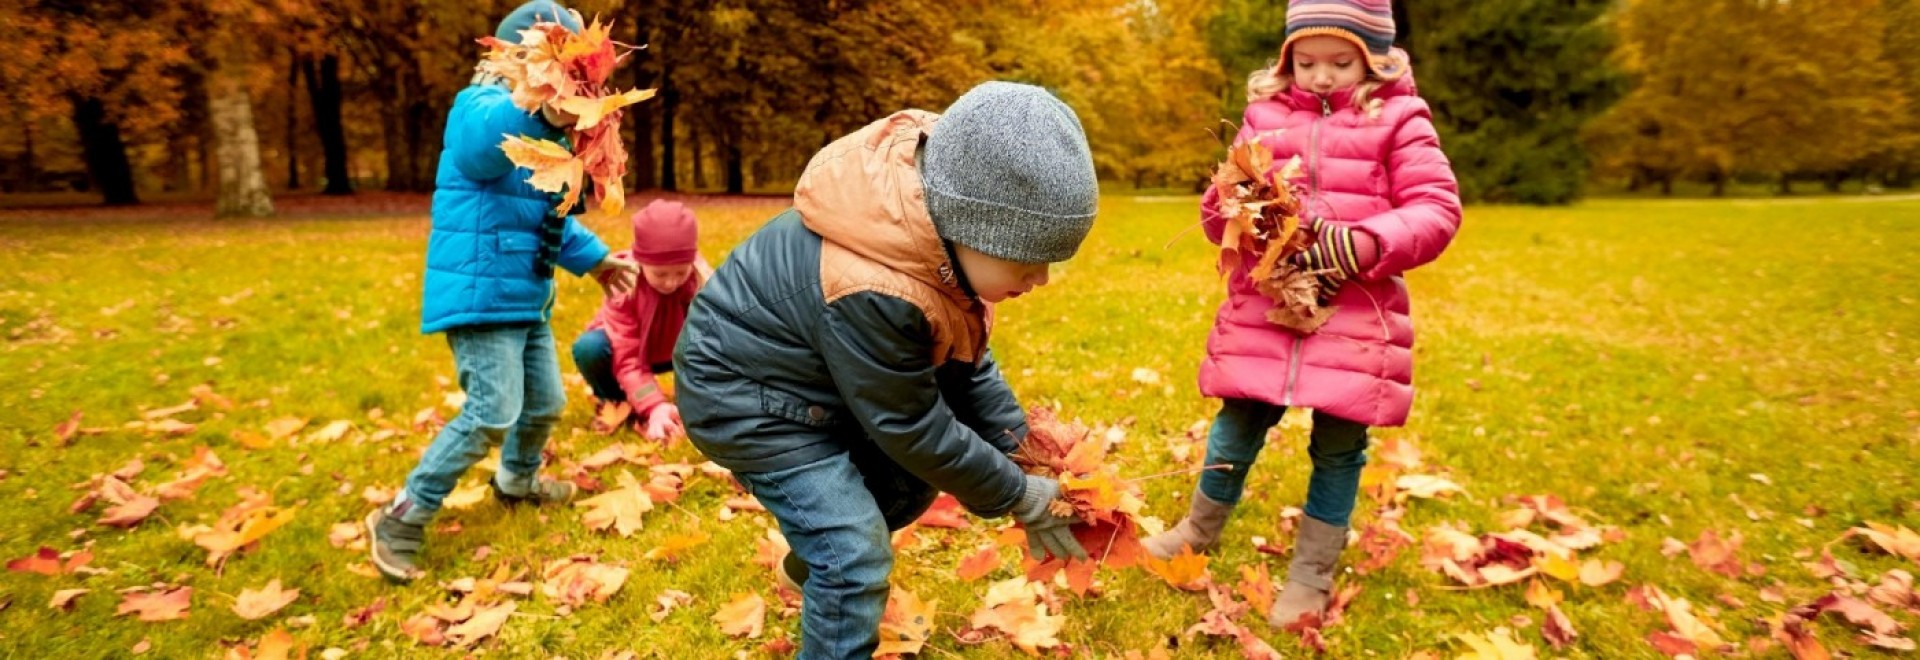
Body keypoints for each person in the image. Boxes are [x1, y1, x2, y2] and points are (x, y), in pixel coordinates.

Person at [673, 82, 1098, 658]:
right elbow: (912, 425)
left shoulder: (938, 257)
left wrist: (1023, 448)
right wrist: (1018, 493)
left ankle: (816, 570)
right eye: (1027, 261)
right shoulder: (877, 286)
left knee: (906, 486)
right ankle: (836, 577)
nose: (1040, 279)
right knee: (854, 556)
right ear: (968, 230)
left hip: (822, 387)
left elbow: (967, 370)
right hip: (749, 399)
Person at [1139, 0, 1463, 629]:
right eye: (1306, 61)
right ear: (1287, 60)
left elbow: (1436, 207)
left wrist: (1364, 243)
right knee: (1236, 426)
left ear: (1373, 59)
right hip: (1268, 308)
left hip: (1353, 312)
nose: (1320, 76)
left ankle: (1311, 573)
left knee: (1339, 446)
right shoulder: (1263, 116)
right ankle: (1197, 531)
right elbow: (1218, 221)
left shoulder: (1399, 118)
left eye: (1340, 62)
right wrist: (1227, 200)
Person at [365, 0, 637, 583]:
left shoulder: (544, 139)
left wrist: (594, 262)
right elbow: (485, 147)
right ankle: (402, 515)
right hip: (480, 292)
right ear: (522, 61)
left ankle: (516, 480)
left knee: (544, 404)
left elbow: (547, 215)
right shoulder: (480, 107)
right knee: (493, 411)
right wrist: (545, 114)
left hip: (524, 298)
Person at [571, 199, 709, 441]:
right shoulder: (624, 286)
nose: (670, 282)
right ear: (640, 261)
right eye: (660, 274)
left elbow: (714, 345)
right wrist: (653, 406)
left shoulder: (701, 283)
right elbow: (628, 358)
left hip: (677, 349)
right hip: (632, 352)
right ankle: (620, 403)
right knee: (589, 348)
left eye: (680, 272)